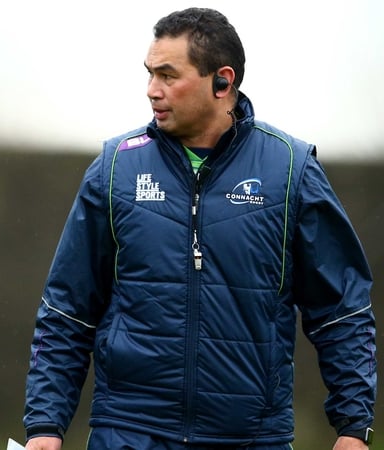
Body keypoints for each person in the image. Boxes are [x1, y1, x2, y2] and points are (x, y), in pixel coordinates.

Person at [23, 7, 376, 450]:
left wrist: (353, 426)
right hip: (129, 434)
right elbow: (66, 311)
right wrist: (43, 426)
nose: (152, 90)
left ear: (222, 81)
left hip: (251, 439)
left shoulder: (291, 170)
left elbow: (341, 311)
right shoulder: (114, 169)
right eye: (150, 74)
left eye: (168, 75)